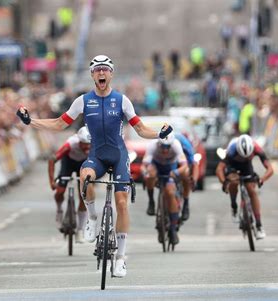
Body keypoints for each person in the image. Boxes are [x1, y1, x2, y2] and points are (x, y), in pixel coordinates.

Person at [16, 55, 173, 278]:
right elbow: (60, 123)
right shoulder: (83, 101)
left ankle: (120, 259)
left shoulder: (122, 101)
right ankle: (91, 218)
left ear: (111, 74)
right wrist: (31, 121)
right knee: (85, 176)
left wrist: (159, 134)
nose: (101, 73)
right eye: (97, 70)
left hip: (118, 155)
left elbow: (140, 129)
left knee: (121, 203)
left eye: (105, 70)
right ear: (92, 75)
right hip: (97, 155)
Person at [215, 134, 274, 239]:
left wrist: (262, 179)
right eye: (242, 155)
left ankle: (259, 225)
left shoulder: (256, 148)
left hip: (247, 166)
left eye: (246, 155)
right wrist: (224, 182)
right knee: (233, 181)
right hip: (233, 165)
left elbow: (270, 169)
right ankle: (234, 206)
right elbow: (219, 169)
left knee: (252, 191)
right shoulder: (231, 150)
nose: (243, 157)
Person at [142, 134, 187, 246]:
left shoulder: (176, 145)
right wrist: (145, 173)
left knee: (170, 193)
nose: (165, 150)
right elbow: (144, 165)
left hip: (170, 169)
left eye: (168, 147)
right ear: (158, 143)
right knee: (150, 174)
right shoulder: (152, 145)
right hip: (156, 166)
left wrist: (176, 173)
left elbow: (184, 166)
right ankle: (151, 201)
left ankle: (172, 230)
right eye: (163, 146)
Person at [47, 126, 91, 242]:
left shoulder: (94, 145)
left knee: (84, 196)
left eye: (88, 144)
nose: (86, 147)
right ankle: (59, 210)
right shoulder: (70, 144)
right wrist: (52, 181)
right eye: (84, 144)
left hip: (83, 164)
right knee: (60, 190)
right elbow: (52, 159)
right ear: (79, 141)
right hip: (68, 161)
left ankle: (80, 230)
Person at [174, 133, 200, 222]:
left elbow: (194, 164)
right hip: (169, 160)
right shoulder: (164, 144)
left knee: (185, 174)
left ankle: (185, 202)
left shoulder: (186, 146)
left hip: (183, 162)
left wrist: (194, 180)